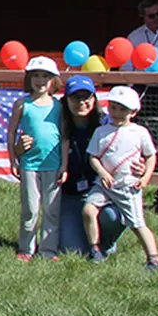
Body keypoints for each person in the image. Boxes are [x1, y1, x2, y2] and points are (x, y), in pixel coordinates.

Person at [83, 86, 158, 270]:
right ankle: (95, 249)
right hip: (104, 185)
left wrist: (145, 178)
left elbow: (151, 156)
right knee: (89, 210)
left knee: (137, 223)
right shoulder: (101, 132)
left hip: (128, 186)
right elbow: (93, 157)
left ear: (133, 112)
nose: (117, 113)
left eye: (123, 109)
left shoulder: (140, 132)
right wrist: (102, 173)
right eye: (113, 108)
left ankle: (154, 259)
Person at [55, 76, 132, 255]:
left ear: (94, 99)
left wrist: (141, 167)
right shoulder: (57, 125)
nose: (81, 102)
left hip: (103, 191)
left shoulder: (107, 124)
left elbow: (131, 147)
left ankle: (105, 242)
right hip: (71, 194)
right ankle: (88, 241)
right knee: (72, 250)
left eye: (86, 97)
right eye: (75, 97)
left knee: (113, 217)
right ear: (66, 100)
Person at [5, 56, 67, 261]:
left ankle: (49, 250)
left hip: (53, 164)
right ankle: (26, 248)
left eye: (46, 76)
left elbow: (64, 137)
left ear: (54, 81)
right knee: (30, 209)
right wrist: (13, 158)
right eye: (36, 76)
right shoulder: (23, 104)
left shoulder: (59, 106)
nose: (40, 80)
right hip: (29, 164)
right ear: (29, 79)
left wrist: (64, 165)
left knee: (52, 209)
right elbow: (12, 131)